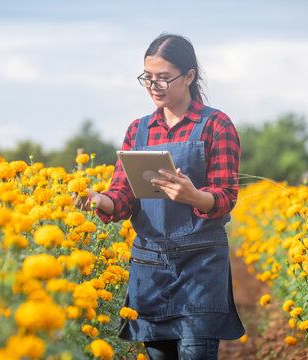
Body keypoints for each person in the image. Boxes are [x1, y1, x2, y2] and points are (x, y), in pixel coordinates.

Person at [76, 33, 245, 360]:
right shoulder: (137, 131)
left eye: (164, 79)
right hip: (149, 266)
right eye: (148, 78)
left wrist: (194, 197)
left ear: (190, 76)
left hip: (200, 265)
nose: (155, 86)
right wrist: (99, 200)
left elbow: (226, 195)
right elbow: (122, 196)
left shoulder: (216, 125)